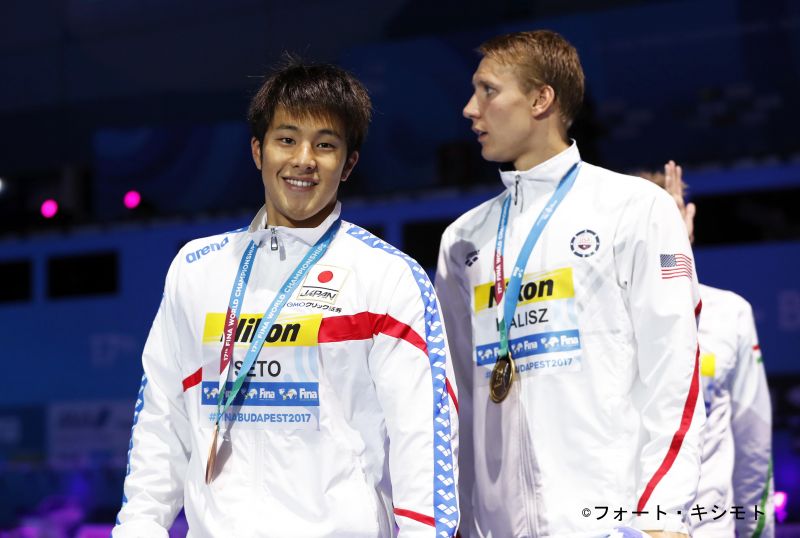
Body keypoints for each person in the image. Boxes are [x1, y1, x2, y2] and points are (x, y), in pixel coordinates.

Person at [113, 59, 460, 538]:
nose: (303, 160)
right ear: (258, 151)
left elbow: (423, 436)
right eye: (287, 139)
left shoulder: (386, 277)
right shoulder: (197, 271)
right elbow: (162, 420)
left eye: (325, 145)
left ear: (349, 163)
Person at [435, 30, 704, 537]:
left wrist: (664, 514)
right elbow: (458, 399)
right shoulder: (462, 239)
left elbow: (673, 370)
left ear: (541, 99)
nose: (470, 109)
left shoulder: (632, 207)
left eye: (488, 90)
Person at [642, 162, 774, 538]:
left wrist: (756, 531)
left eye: (670, 219)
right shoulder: (599, 318)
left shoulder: (730, 313)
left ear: (689, 220)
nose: (661, 232)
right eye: (650, 223)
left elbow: (753, 440)